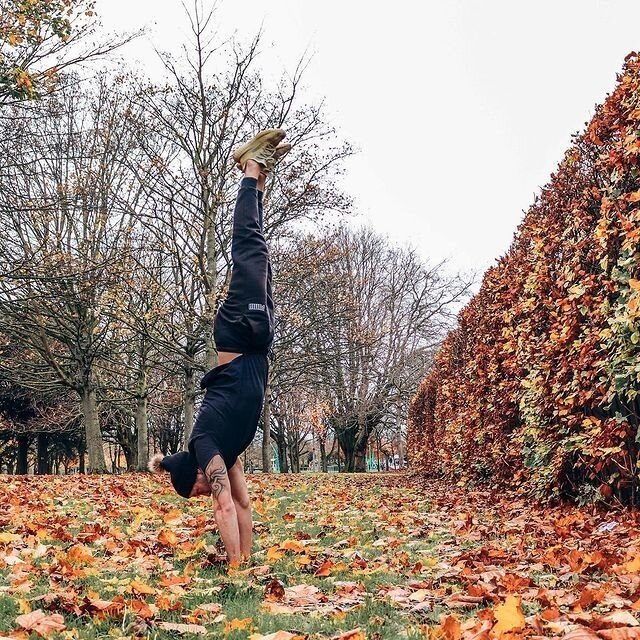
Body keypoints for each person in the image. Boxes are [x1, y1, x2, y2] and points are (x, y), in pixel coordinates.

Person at [149, 128, 291, 566]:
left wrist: (230, 570)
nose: (202, 493)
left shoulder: (204, 445)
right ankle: (259, 173)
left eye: (194, 489)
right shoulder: (222, 456)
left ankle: (249, 169)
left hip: (238, 332)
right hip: (256, 343)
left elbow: (224, 506)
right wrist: (245, 563)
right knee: (261, 257)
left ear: (194, 473)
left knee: (249, 249)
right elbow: (244, 505)